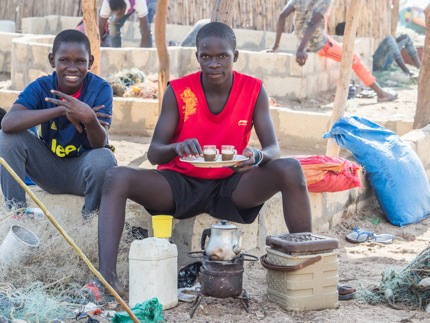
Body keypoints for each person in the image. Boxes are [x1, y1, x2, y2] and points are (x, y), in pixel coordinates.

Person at [88, 21, 313, 298]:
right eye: (206, 56)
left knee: (290, 168)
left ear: (236, 57)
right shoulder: (180, 91)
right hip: (179, 185)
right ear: (197, 57)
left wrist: (257, 156)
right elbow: (155, 152)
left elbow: (273, 149)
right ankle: (107, 280)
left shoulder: (253, 90)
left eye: (222, 56)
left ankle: (308, 264)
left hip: (231, 186)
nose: (214, 63)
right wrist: (177, 146)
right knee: (116, 176)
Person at [0, 29, 117, 218]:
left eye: (80, 61)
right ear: (52, 60)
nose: (72, 68)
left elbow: (98, 144)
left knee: (105, 158)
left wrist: (89, 119)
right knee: (7, 138)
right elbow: (8, 123)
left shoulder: (100, 89)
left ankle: (90, 221)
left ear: (91, 62)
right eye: (64, 60)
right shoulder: (42, 86)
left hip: (84, 173)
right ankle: (17, 215)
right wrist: (62, 109)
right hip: (48, 170)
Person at [268, 0, 398, 103]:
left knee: (343, 48)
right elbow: (313, 24)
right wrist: (301, 50)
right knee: (353, 58)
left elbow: (282, 15)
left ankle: (379, 91)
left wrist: (276, 45)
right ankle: (381, 94)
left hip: (302, 40)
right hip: (318, 44)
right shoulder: (325, 1)